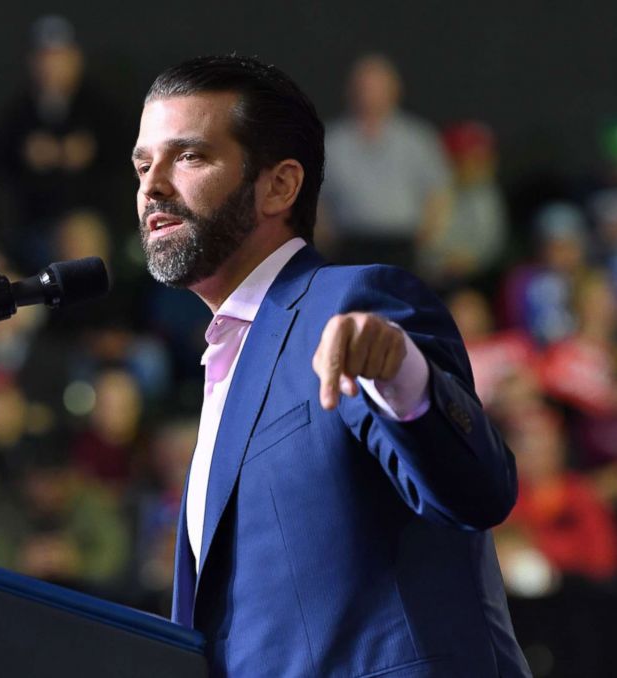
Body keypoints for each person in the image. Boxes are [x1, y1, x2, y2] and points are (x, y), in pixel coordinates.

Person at [131, 55, 528, 676]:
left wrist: (404, 378)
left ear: (280, 186)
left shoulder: (353, 303)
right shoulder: (222, 358)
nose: (152, 184)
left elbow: (479, 491)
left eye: (189, 157)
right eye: (143, 163)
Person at [318, 54, 452, 271]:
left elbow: (439, 193)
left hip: (402, 247)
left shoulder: (418, 138)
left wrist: (427, 238)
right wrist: (325, 238)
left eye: (377, 87)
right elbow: (316, 198)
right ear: (350, 90)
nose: (369, 94)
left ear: (394, 90)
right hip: (350, 246)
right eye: (363, 86)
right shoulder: (332, 140)